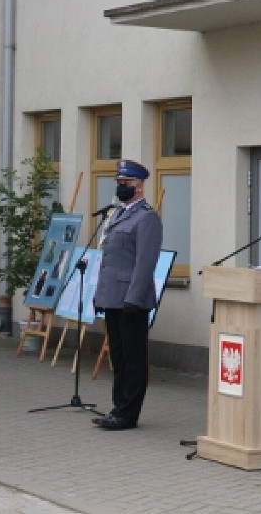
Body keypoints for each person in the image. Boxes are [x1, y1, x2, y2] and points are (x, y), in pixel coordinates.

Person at [92, 159, 163, 431]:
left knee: (133, 358)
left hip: (132, 300)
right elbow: (110, 261)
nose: (122, 187)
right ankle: (117, 407)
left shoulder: (147, 218)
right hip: (113, 297)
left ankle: (128, 413)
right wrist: (101, 295)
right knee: (118, 356)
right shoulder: (118, 214)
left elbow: (145, 263)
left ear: (140, 185)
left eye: (127, 183)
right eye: (119, 183)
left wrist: (133, 297)